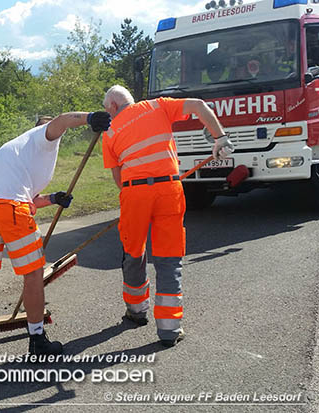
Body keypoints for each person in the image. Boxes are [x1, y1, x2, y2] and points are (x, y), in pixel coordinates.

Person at [0, 110, 112, 367]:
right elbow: (63, 119)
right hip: (8, 207)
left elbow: (26, 197)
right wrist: (90, 117)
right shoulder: (43, 136)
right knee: (33, 274)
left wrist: (53, 199)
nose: (56, 132)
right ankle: (38, 341)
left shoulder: (22, 150)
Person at [101, 85, 231, 347]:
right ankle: (169, 329)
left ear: (113, 107)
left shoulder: (110, 131)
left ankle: (137, 312)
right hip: (169, 188)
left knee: (134, 251)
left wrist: (135, 190)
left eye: (108, 111)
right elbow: (198, 105)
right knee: (169, 257)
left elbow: (117, 177)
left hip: (134, 193)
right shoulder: (157, 105)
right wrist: (220, 138)